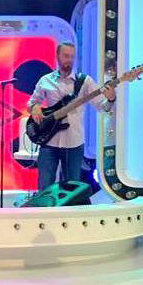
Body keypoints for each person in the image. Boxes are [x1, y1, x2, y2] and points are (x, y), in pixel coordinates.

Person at [27, 42, 116, 192]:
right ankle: (45, 208)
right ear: (57, 56)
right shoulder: (45, 80)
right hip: (48, 140)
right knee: (44, 186)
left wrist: (111, 99)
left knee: (71, 188)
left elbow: (102, 106)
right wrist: (35, 107)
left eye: (72, 57)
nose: (69, 60)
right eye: (66, 56)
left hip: (74, 142)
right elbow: (31, 103)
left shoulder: (85, 81)